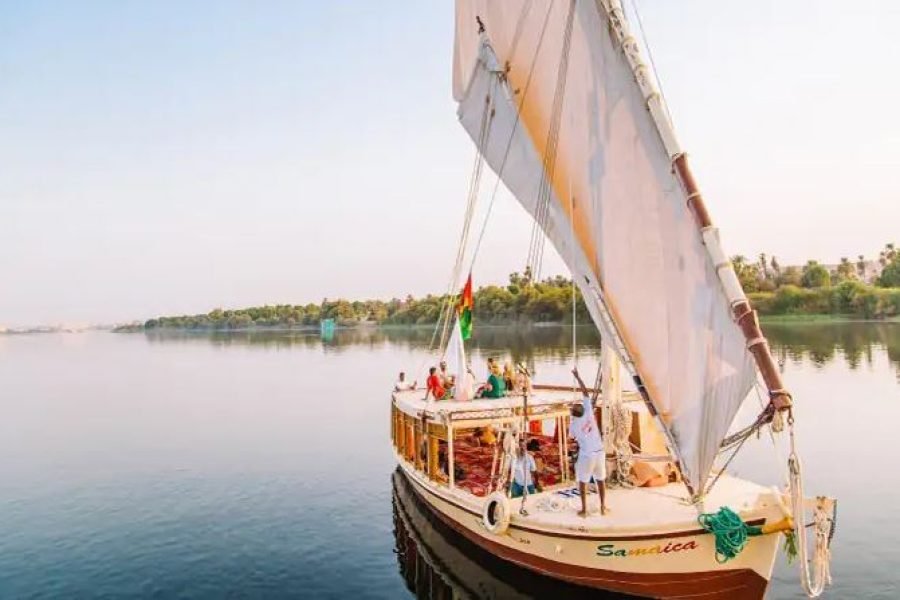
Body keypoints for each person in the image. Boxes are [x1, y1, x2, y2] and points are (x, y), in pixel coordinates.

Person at [569, 367, 609, 517]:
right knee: (601, 479)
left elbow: (572, 438)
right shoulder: (589, 413)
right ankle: (603, 506)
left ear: (573, 414)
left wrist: (572, 419)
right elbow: (585, 393)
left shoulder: (573, 425)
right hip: (599, 451)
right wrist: (578, 377)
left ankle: (584, 509)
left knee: (583, 480)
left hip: (587, 455)